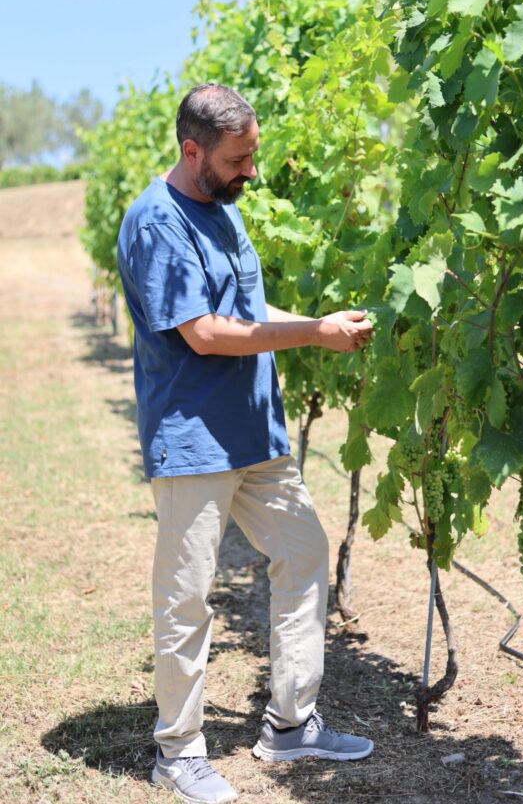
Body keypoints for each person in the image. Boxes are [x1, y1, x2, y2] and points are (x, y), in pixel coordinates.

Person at [116, 83, 374, 804]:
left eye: (252, 156)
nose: (250, 172)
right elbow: (204, 332)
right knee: (186, 596)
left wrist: (323, 324)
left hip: (256, 431)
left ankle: (290, 725)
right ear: (192, 150)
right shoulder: (156, 220)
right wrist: (312, 332)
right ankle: (179, 752)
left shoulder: (223, 208)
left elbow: (246, 310)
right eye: (238, 159)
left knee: (301, 553)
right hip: (194, 436)